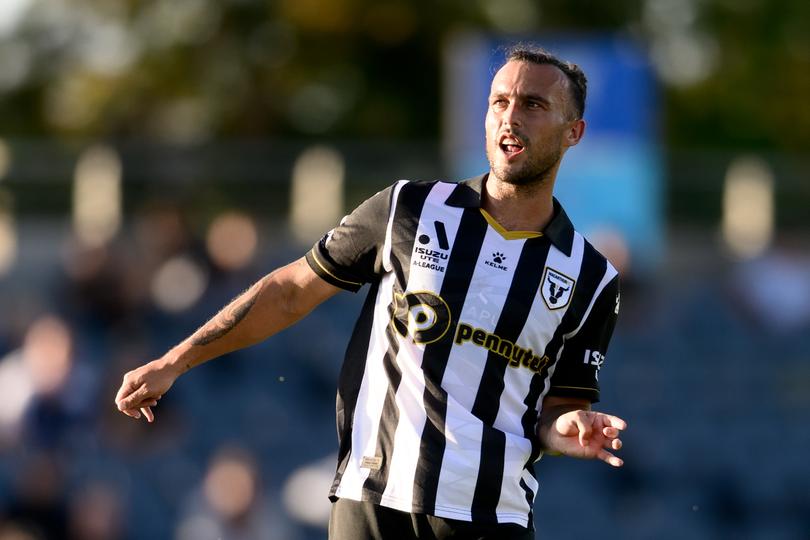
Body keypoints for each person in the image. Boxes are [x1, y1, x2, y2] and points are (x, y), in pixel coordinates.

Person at [115, 44, 627, 540]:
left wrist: (566, 427)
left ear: (573, 133)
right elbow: (291, 291)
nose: (510, 117)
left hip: (494, 518)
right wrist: (176, 361)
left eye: (533, 105)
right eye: (499, 101)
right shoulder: (409, 209)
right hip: (375, 501)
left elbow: (557, 406)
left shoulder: (591, 278)